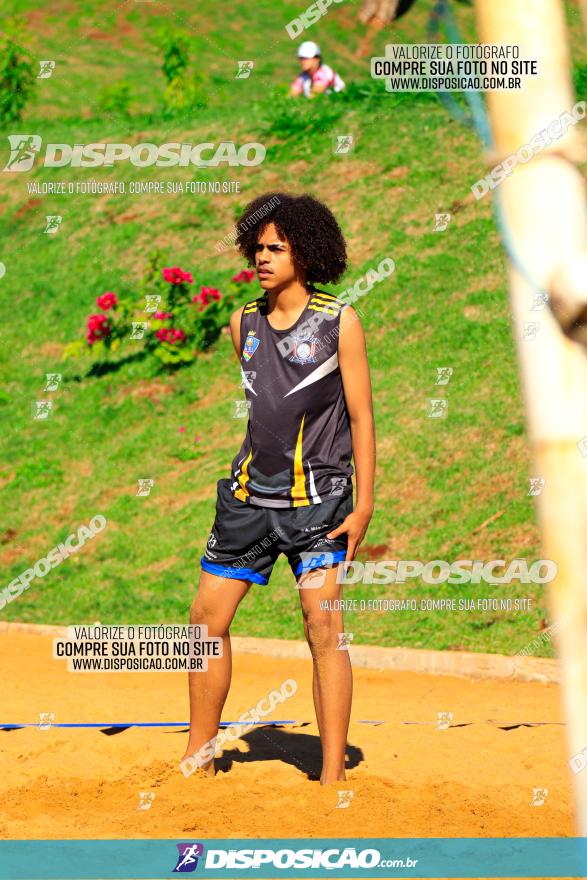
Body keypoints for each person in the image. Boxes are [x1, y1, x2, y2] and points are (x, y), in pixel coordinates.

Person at [181, 192, 375, 785]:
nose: (262, 258)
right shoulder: (243, 324)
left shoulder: (339, 322)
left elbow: (362, 418)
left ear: (306, 253)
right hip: (247, 502)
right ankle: (199, 756)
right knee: (203, 623)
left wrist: (363, 503)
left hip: (320, 506)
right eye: (257, 248)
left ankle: (332, 777)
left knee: (323, 626)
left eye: (276, 248)